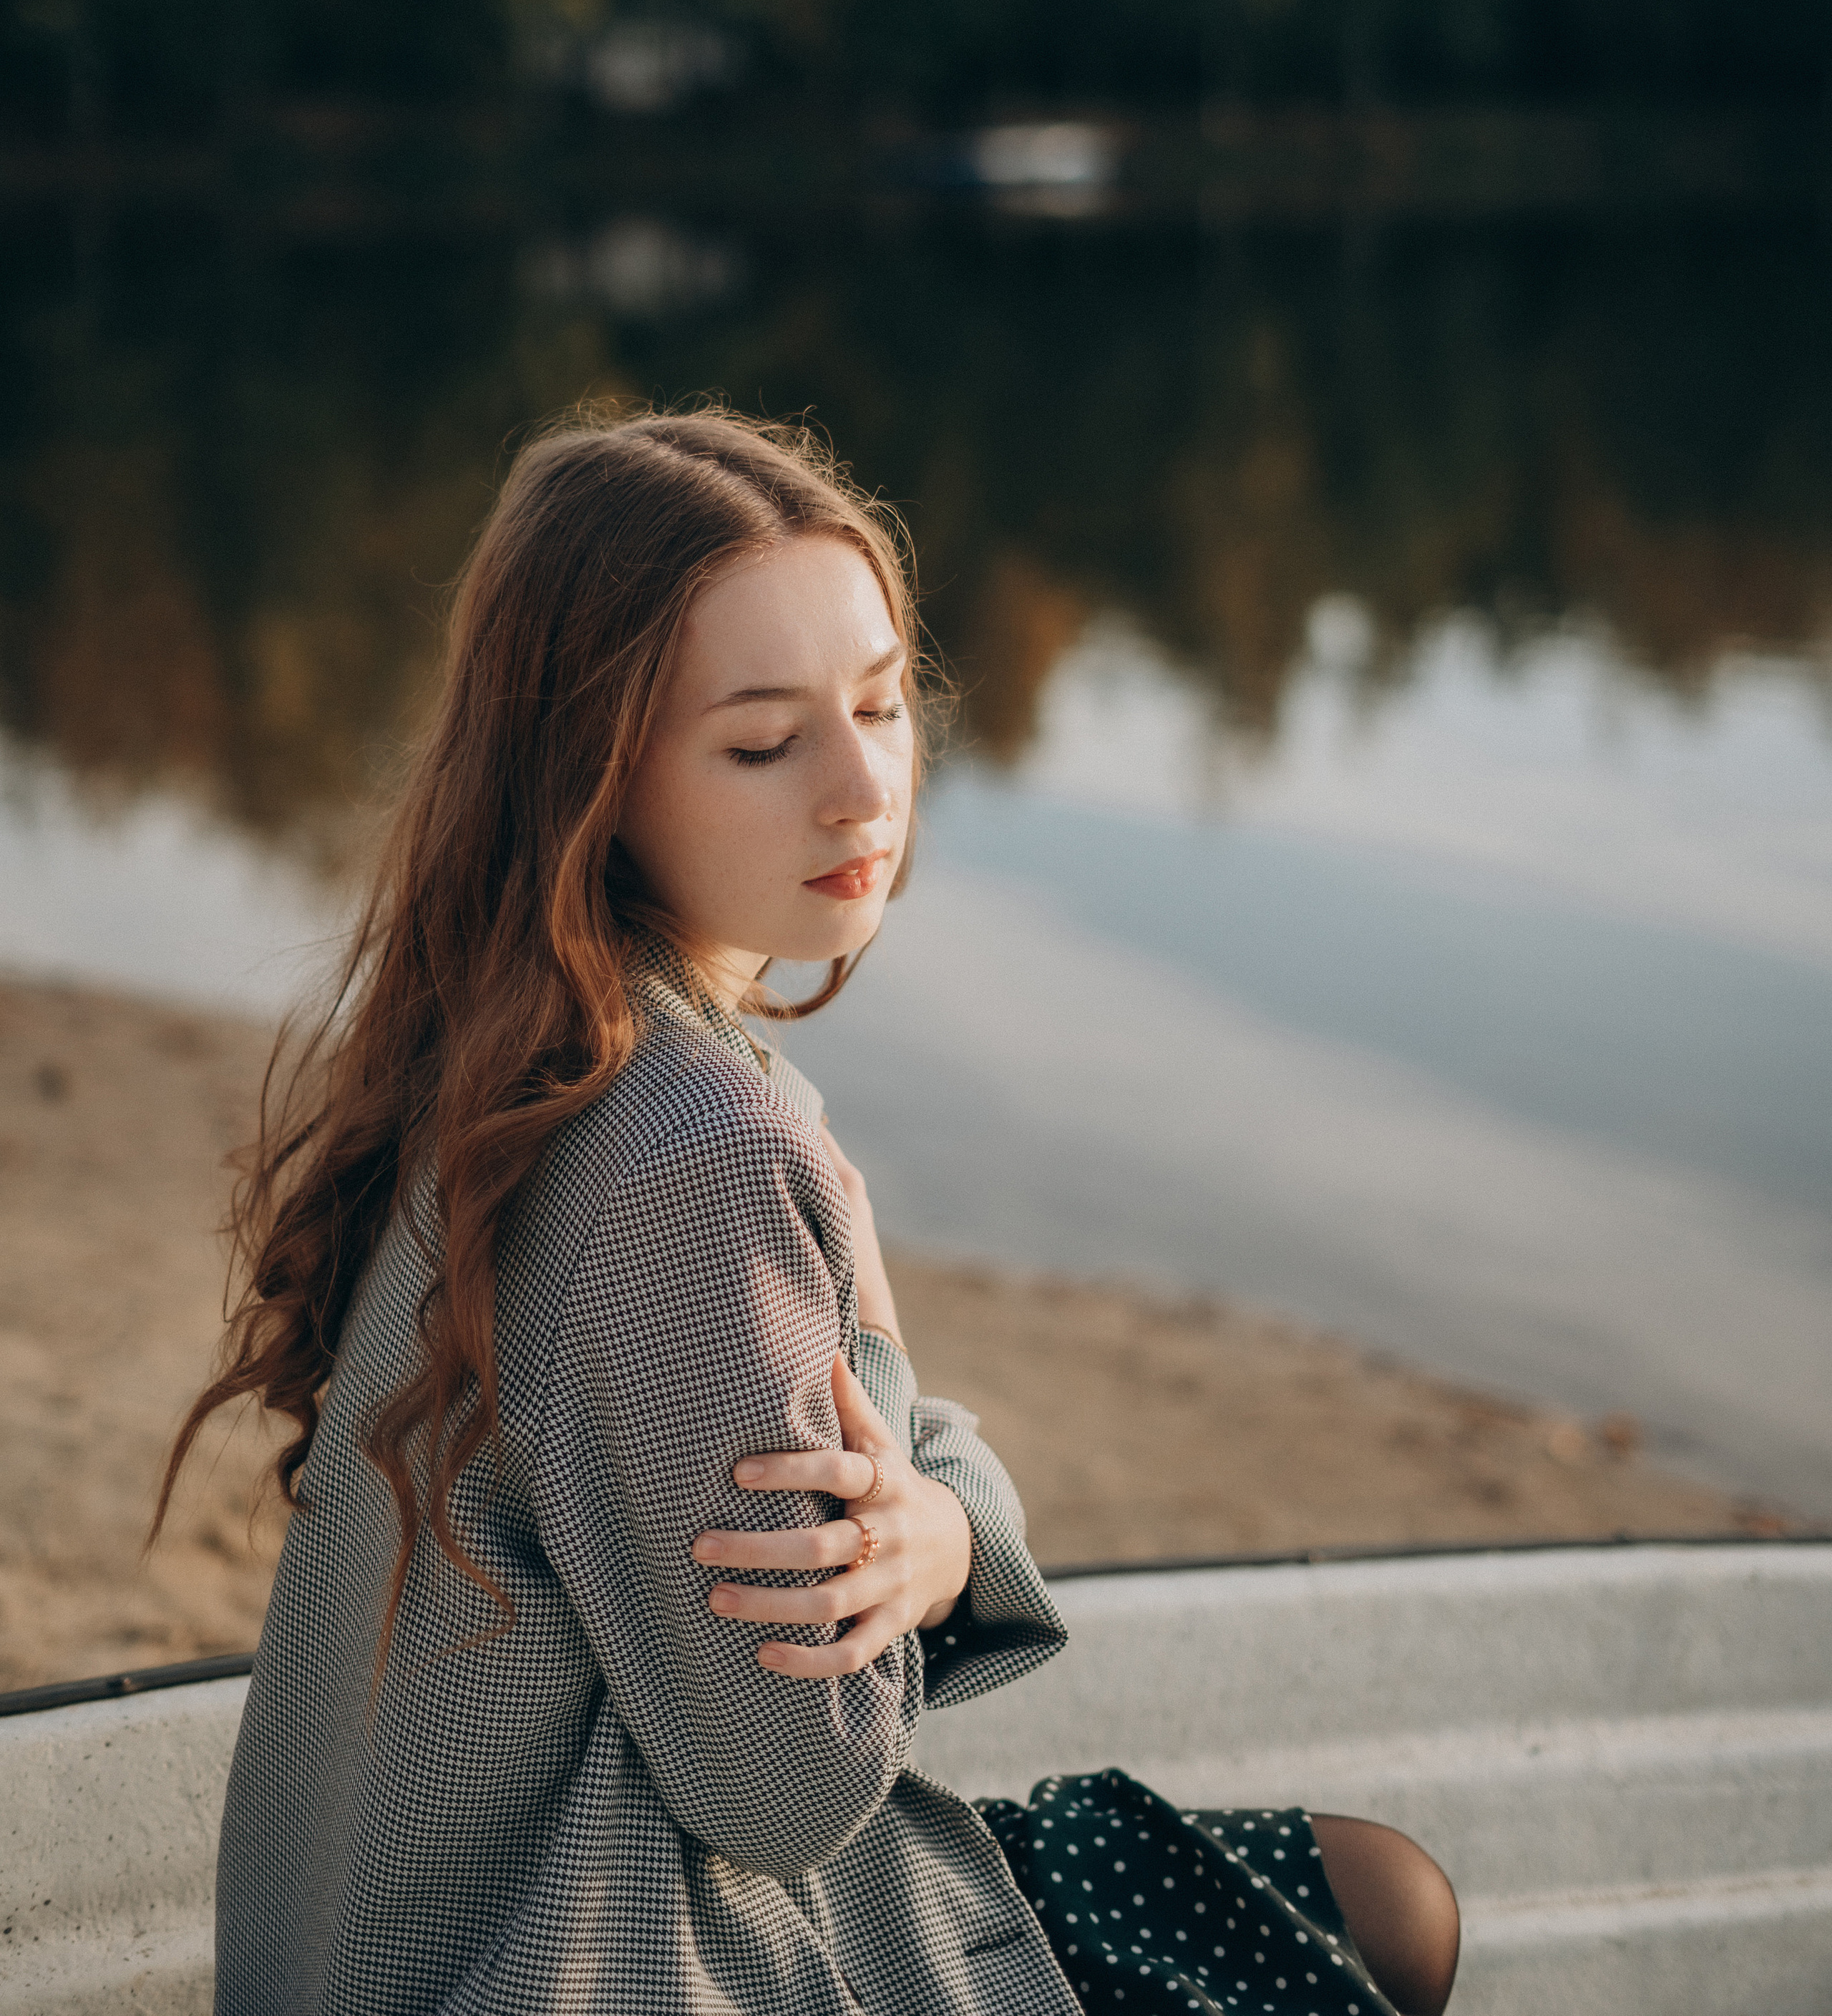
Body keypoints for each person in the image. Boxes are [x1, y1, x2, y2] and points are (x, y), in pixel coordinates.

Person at [160, 409, 1460, 2016]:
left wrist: (932, 1518)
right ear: (591, 778)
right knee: (1390, 1917)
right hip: (609, 1952)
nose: (863, 790)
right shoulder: (696, 1150)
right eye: (765, 744)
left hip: (402, 1939)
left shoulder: (491, 1050)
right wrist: (945, 1499)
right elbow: (791, 1787)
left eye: (880, 704)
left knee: (1378, 1897)